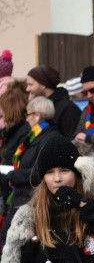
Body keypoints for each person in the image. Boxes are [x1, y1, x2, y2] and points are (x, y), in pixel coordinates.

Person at [1, 96, 56, 243]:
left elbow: (39, 171)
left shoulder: (48, 138)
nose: (26, 119)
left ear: (37, 115)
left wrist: (13, 176)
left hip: (30, 199)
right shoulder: (34, 136)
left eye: (28, 114)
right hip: (21, 197)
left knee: (15, 242)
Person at [25, 66, 82, 139]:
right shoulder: (37, 107)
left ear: (43, 85)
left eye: (31, 84)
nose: (27, 89)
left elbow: (71, 142)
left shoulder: (68, 109)